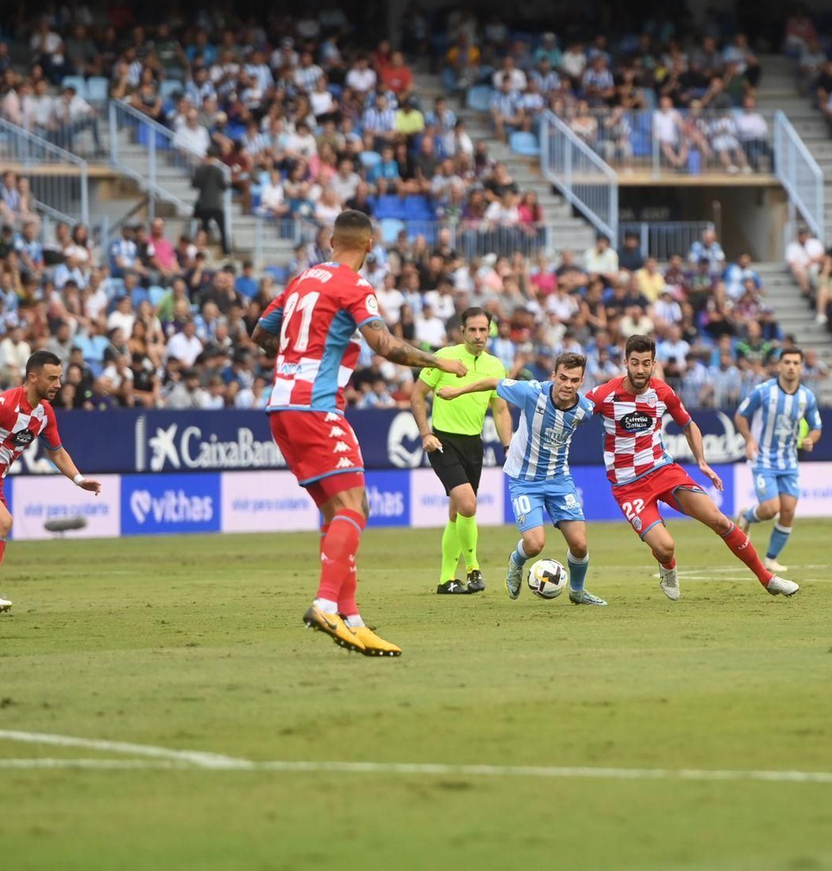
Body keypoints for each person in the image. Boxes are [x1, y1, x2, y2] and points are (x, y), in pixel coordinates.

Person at [252, 208, 464, 656]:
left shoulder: (300, 281)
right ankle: (326, 604)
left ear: (332, 241)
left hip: (281, 408)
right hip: (316, 407)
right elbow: (384, 345)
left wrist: (298, 356)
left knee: (341, 512)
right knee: (355, 505)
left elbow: (260, 333)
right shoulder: (355, 285)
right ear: (369, 244)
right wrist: (439, 361)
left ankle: (351, 617)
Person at [587, 334, 799, 601]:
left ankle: (768, 579)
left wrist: (701, 462)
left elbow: (688, 425)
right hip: (628, 487)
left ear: (654, 364)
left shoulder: (663, 392)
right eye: (634, 363)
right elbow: (572, 414)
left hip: (663, 471)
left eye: (646, 363)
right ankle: (668, 565)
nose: (640, 369)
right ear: (625, 362)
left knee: (720, 520)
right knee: (665, 547)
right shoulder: (605, 394)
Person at [0, 351, 102, 615]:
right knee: (2, 522)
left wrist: (78, 479)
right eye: (52, 378)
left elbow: (56, 451)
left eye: (60, 378)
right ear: (33, 377)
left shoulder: (45, 413)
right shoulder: (1, 404)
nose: (59, 384)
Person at [435, 352, 606, 606]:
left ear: (582, 382)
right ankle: (516, 561)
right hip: (525, 481)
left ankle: (578, 592)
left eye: (574, 380)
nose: (567, 385)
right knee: (535, 544)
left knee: (580, 544)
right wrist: (457, 392)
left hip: (559, 479)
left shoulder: (584, 409)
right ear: (553, 376)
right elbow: (493, 382)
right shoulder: (531, 392)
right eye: (563, 378)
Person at [410, 306, 511, 595]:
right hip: (443, 441)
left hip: (474, 444)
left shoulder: (495, 365)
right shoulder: (444, 357)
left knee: (457, 514)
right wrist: (425, 433)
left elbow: (500, 409)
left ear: (489, 331)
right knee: (468, 504)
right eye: (473, 330)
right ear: (462, 332)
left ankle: (446, 580)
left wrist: (507, 445)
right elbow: (417, 396)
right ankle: (473, 568)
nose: (479, 335)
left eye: (483, 330)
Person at [732, 346, 823, 572]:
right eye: (787, 362)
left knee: (789, 510)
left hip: (789, 461)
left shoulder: (806, 397)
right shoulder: (763, 391)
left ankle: (771, 559)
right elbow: (740, 415)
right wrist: (749, 439)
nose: (791, 367)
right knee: (771, 508)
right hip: (763, 460)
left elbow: (817, 426)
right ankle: (747, 516)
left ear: (801, 367)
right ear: (779, 366)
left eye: (796, 363)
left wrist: (812, 439)